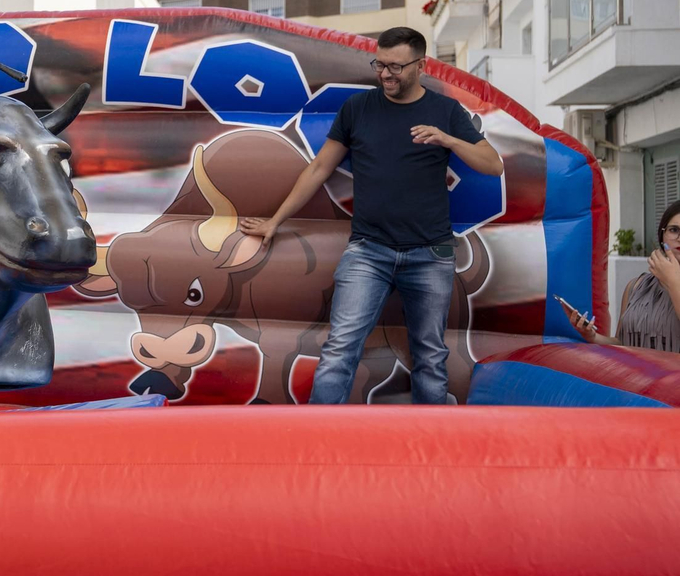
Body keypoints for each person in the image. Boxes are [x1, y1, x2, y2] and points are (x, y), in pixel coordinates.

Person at [239, 27, 504, 404]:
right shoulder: (357, 109)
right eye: (380, 64)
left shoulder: (445, 111)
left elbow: (493, 165)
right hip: (368, 252)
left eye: (396, 67)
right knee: (339, 349)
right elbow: (319, 169)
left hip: (430, 254)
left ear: (421, 66)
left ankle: (431, 440)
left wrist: (447, 139)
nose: (385, 74)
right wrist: (275, 220)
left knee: (430, 357)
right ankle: (315, 437)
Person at [562, 200, 680, 353]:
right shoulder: (636, 286)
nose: (679, 237)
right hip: (635, 369)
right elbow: (623, 342)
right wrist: (593, 336)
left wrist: (673, 280)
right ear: (662, 235)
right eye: (674, 230)